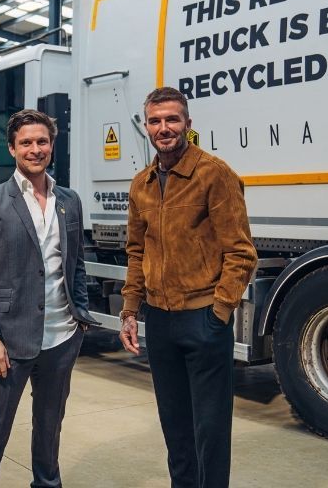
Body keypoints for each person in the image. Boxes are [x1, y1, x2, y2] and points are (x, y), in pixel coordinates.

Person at [119, 87, 257, 488]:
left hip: (203, 319)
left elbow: (241, 252)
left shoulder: (213, 174)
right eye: (155, 121)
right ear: (147, 127)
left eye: (172, 119)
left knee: (210, 429)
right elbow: (136, 251)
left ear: (188, 124)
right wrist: (130, 310)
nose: (164, 128)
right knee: (175, 426)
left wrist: (220, 311)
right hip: (160, 322)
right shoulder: (142, 184)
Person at [0, 109, 100, 488]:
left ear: (52, 146)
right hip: (9, 342)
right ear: (12, 148)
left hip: (62, 338)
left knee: (49, 429)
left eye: (42, 141)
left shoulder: (69, 200)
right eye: (26, 142)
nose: (35, 149)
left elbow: (75, 263)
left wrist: (80, 317)